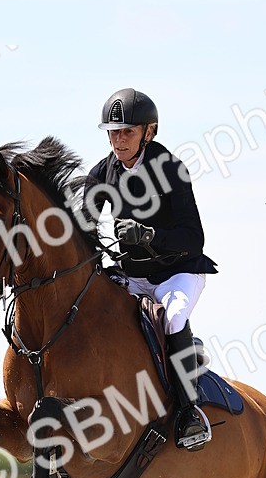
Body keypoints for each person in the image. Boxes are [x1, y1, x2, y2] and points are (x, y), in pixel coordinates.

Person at [82, 88, 218, 452]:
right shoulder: (101, 174)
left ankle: (190, 411)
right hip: (132, 275)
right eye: (113, 132)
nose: (119, 140)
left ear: (149, 132)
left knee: (172, 318)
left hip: (178, 272)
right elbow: (84, 227)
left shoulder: (170, 169)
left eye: (127, 132)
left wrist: (148, 235)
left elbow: (194, 238)